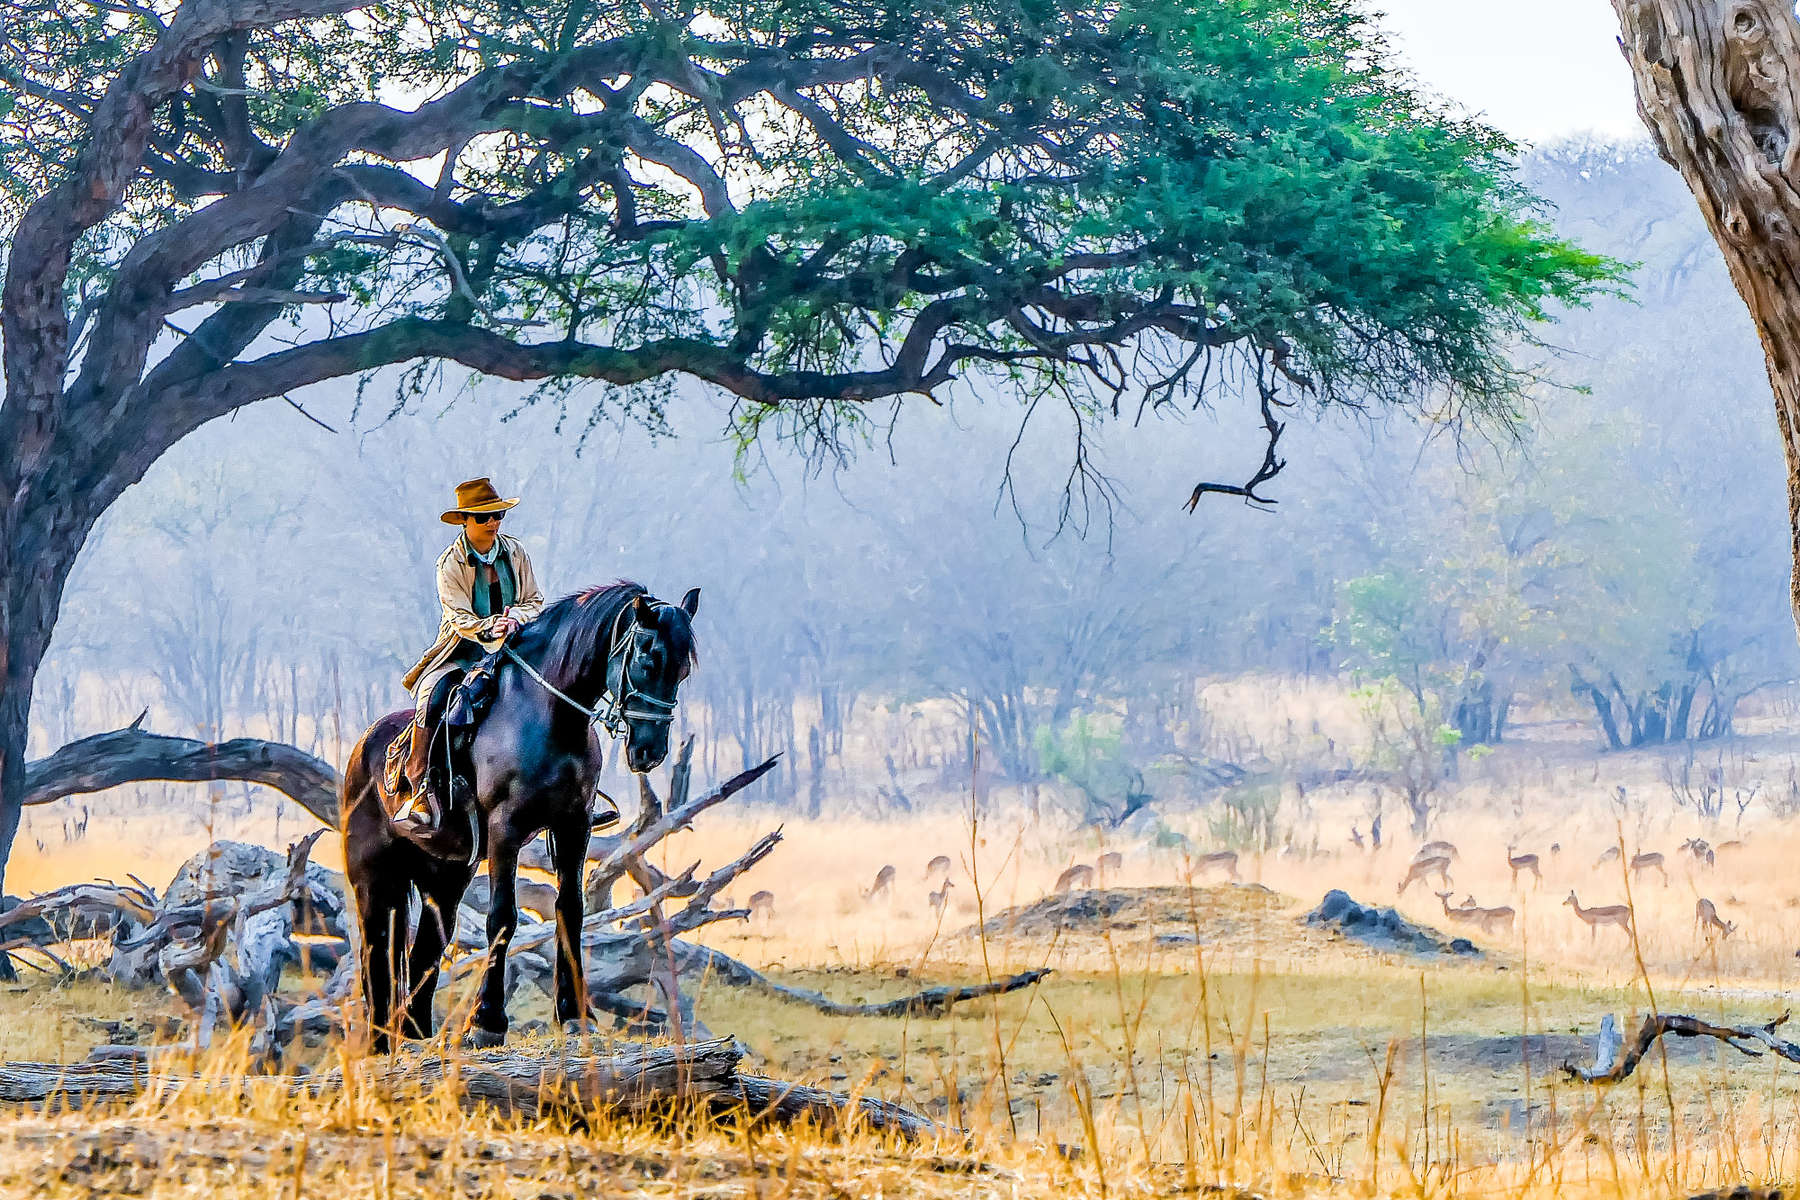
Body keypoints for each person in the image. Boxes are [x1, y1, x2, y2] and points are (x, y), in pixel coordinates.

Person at [386, 477, 544, 836]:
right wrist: (490, 628)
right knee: (433, 696)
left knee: (555, 692)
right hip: (463, 651)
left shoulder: (516, 552)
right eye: (484, 517)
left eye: (498, 515)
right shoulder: (449, 564)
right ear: (464, 521)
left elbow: (534, 601)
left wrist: (514, 619)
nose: (493, 523)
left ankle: (574, 791)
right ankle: (421, 787)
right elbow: (458, 617)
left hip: (516, 647)